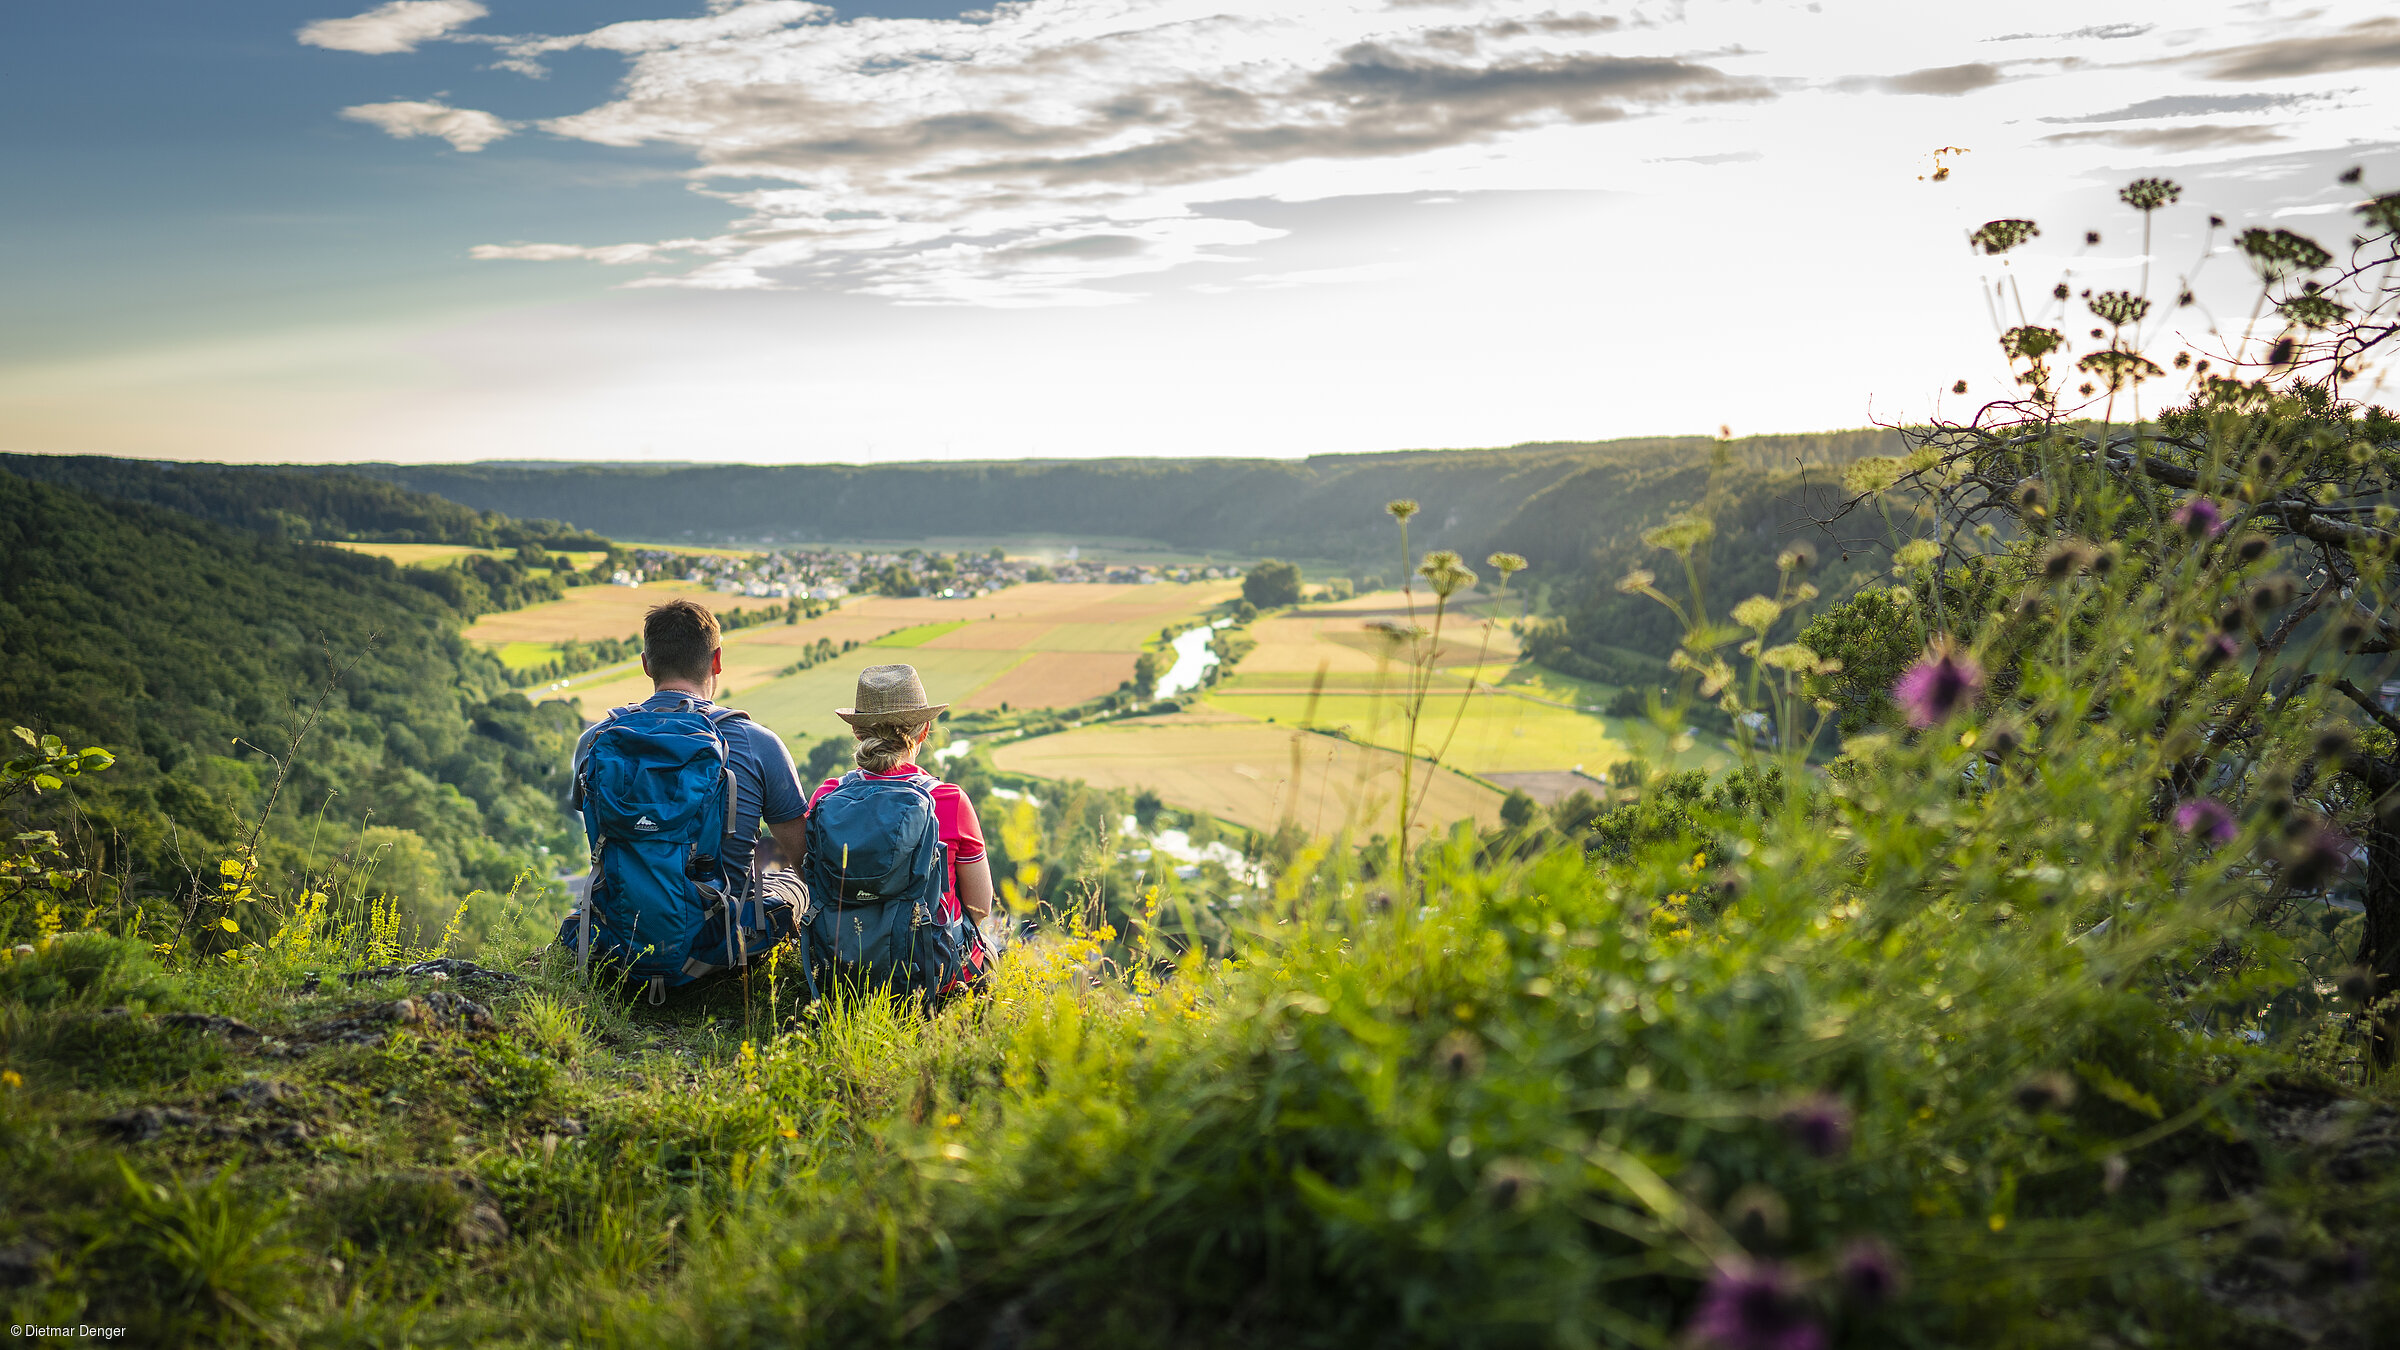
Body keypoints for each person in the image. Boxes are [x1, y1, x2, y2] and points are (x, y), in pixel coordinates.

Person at [564, 599, 808, 991]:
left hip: (618, 945)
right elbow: (803, 858)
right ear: (717, 661)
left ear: (646, 664)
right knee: (794, 884)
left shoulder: (595, 741)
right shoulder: (758, 743)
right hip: (717, 949)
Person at [794, 663, 995, 1002]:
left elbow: (814, 884)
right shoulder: (948, 800)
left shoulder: (826, 796)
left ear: (858, 733)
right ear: (924, 731)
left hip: (843, 972)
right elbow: (979, 907)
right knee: (986, 947)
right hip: (935, 975)